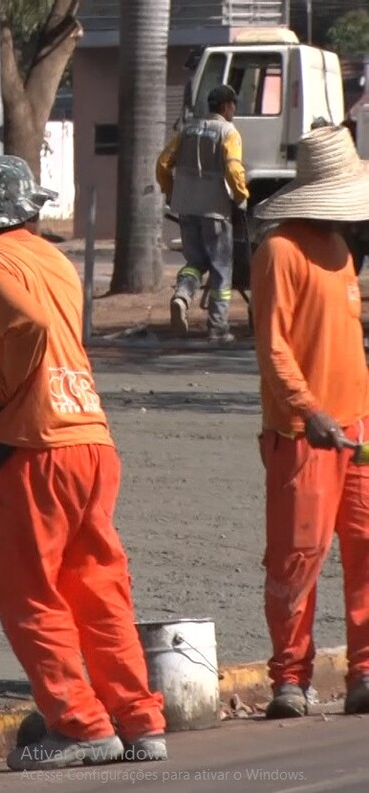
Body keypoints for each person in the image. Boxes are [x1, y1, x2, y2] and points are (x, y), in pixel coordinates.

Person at [0, 155, 168, 771]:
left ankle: (78, 724)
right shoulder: (55, 260)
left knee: (28, 592)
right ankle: (138, 720)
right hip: (92, 437)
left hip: (39, 446)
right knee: (98, 586)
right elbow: (53, 338)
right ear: (31, 210)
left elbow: (30, 330)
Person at [248, 124, 369, 718]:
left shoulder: (342, 252)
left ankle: (365, 672)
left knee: (367, 550)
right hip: (303, 434)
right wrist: (311, 411)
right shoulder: (279, 251)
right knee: (298, 558)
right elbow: (273, 349)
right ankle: (289, 679)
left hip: (358, 429)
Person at [156, 84, 250, 343]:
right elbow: (233, 170)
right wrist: (242, 197)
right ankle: (218, 327)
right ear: (226, 106)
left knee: (195, 263)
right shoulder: (228, 132)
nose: (235, 109)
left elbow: (163, 163)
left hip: (187, 209)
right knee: (221, 269)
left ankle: (182, 297)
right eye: (233, 104)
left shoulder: (187, 130)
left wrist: (171, 191)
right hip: (216, 211)